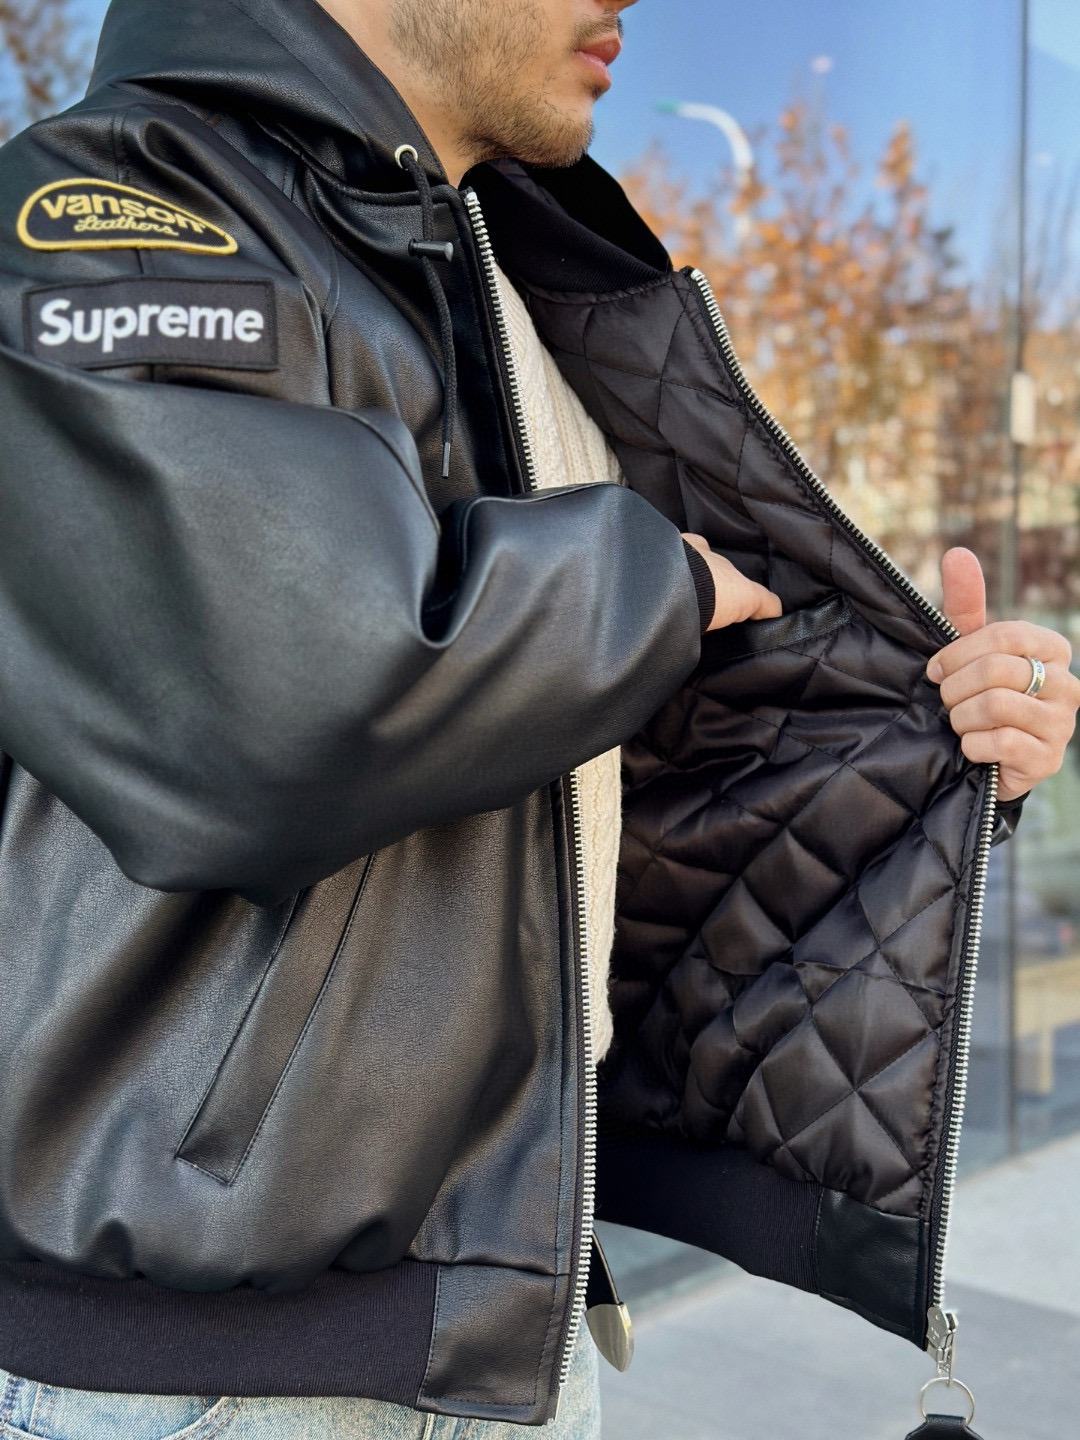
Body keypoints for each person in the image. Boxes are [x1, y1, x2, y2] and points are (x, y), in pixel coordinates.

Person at [0, 1, 1076, 1437]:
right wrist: (651, 587)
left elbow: (593, 771)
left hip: (499, 1319)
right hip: (198, 1370)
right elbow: (265, 707)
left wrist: (929, 740)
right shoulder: (116, 201)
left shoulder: (519, 278)